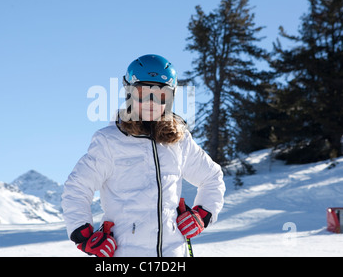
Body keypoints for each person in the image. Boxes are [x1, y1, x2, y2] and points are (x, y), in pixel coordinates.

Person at [62, 54, 225, 257]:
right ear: (129, 93)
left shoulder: (179, 141)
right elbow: (77, 188)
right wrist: (84, 236)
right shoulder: (109, 141)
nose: (152, 102)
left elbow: (212, 177)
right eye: (142, 93)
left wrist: (203, 214)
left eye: (161, 95)